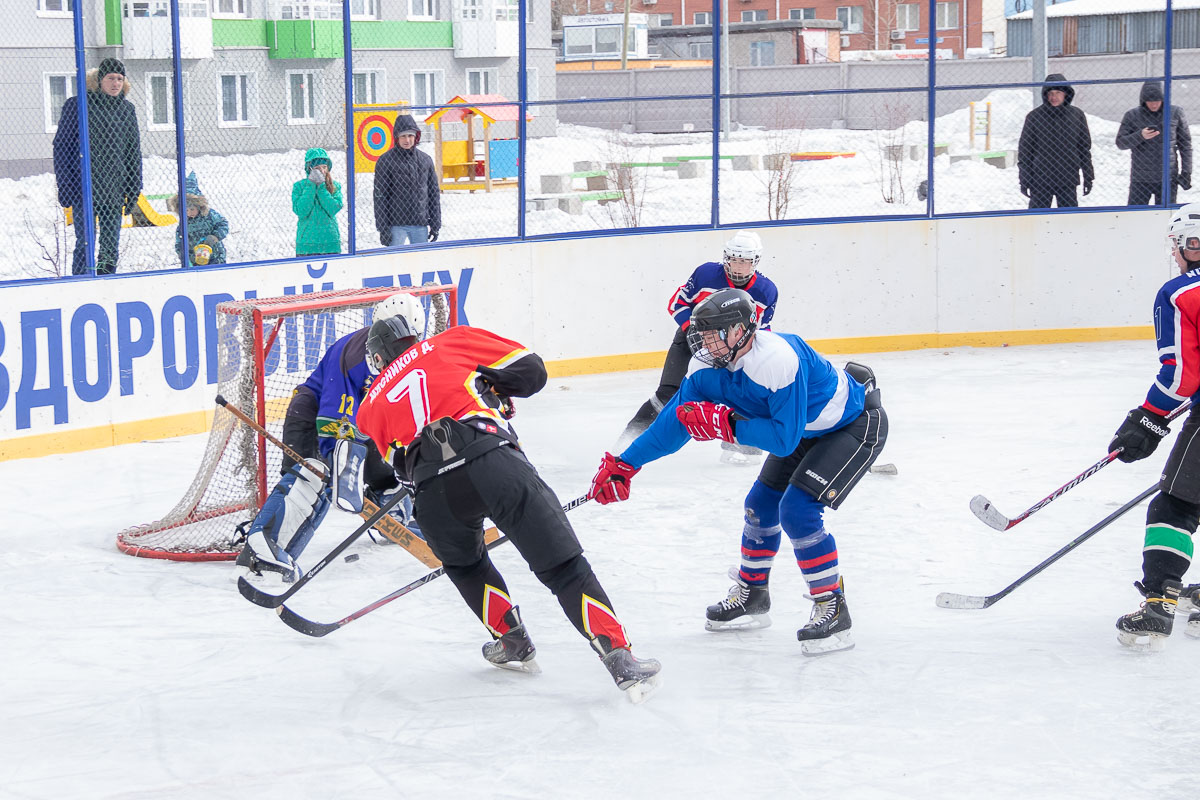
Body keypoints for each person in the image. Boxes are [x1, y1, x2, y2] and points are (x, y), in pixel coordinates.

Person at [355, 317, 661, 701]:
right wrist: (491, 389)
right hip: (493, 461)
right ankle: (620, 659)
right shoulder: (451, 342)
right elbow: (533, 371)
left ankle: (512, 641)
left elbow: (398, 469)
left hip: (433, 492)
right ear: (415, 337)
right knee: (563, 568)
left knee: (466, 566)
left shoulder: (368, 407)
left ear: (379, 358)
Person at [588, 288, 888, 656]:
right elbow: (675, 423)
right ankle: (753, 596)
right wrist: (626, 464)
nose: (706, 342)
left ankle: (833, 606)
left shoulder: (776, 360)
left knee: (797, 511)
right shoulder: (703, 367)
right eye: (703, 333)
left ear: (744, 329)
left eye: (716, 333)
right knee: (759, 506)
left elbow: (782, 438)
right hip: (804, 429)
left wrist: (727, 424)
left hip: (852, 426)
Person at [236, 293, 428, 582]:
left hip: (358, 427)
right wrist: (340, 466)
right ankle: (263, 547)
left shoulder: (410, 356)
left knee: (390, 474)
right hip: (311, 420)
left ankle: (395, 513)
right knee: (316, 476)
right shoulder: (353, 355)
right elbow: (331, 424)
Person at [1107, 203, 1200, 650]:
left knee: (1175, 507)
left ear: (1190, 245)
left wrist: (1148, 417)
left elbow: (1182, 375)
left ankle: (1160, 603)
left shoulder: (1181, 293)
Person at [618, 230, 779, 465]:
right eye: (734, 259)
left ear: (755, 261)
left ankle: (743, 447)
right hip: (691, 341)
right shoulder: (705, 274)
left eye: (744, 261)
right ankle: (628, 441)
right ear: (726, 257)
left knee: (746, 392)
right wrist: (693, 331)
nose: (737, 266)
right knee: (668, 394)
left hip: (733, 350)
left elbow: (761, 330)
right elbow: (677, 303)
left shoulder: (766, 291)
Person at [52, 57, 143, 276]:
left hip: (113, 189)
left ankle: (106, 281)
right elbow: (62, 147)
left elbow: (133, 151)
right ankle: (82, 281)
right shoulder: (79, 105)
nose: (116, 83)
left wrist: (134, 187)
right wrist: (65, 185)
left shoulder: (126, 110)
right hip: (83, 188)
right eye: (111, 78)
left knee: (110, 246)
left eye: (120, 79)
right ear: (100, 79)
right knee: (85, 243)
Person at [1017, 73, 1094, 210]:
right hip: (1040, 180)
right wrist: (1025, 179)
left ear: (1066, 93)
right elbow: (1025, 152)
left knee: (1068, 222)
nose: (1054, 97)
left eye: (1058, 92)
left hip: (1067, 179)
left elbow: (1084, 148)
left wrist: (1088, 175)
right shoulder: (1034, 117)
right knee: (1037, 220)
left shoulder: (1077, 116)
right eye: (1050, 93)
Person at [1115, 81, 1192, 207]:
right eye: (1150, 100)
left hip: (1168, 177)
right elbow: (1120, 142)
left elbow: (1186, 145)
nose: (1154, 104)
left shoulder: (1175, 113)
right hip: (1140, 179)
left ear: (1163, 99)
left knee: (1166, 217)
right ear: (1143, 100)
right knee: (1134, 216)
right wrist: (1140, 135)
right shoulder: (1132, 115)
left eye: (1157, 100)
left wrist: (1186, 172)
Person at [373, 114, 441, 247]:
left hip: (420, 224)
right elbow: (380, 196)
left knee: (421, 261)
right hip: (395, 225)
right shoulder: (385, 161)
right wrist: (383, 228)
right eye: (403, 136)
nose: (407, 140)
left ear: (416, 137)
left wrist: (435, 223)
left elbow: (433, 194)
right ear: (396, 137)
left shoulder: (425, 160)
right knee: (394, 262)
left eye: (410, 136)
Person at [167, 171, 228, 267]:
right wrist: (182, 254)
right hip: (196, 258)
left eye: (192, 209)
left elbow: (223, 224)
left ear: (199, 206)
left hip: (215, 257)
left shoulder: (209, 215)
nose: (189, 213)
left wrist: (215, 236)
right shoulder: (184, 222)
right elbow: (180, 238)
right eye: (185, 210)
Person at [292, 148, 343, 257]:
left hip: (330, 242)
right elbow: (301, 211)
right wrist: (311, 185)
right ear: (309, 169)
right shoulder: (299, 187)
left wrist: (321, 188)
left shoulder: (334, 186)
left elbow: (334, 208)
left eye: (324, 167)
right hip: (306, 244)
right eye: (317, 168)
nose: (322, 171)